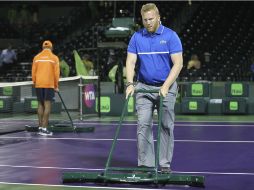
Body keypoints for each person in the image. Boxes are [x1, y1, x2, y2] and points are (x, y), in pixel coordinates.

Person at [125, 3, 183, 173]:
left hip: (167, 86)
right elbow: (130, 61)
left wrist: (165, 86)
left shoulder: (171, 36)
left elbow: (178, 64)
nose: (148, 22)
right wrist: (129, 83)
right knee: (143, 124)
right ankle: (146, 164)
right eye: (145, 20)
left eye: (151, 19)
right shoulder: (137, 37)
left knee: (165, 125)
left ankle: (164, 164)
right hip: (144, 86)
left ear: (158, 17)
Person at [32, 40, 60, 136]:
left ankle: (40, 126)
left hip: (39, 84)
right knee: (47, 105)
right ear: (51, 48)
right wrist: (56, 86)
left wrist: (35, 82)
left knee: (40, 104)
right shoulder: (54, 58)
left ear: (43, 48)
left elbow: (33, 72)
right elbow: (57, 74)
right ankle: (44, 129)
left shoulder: (36, 57)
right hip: (49, 84)